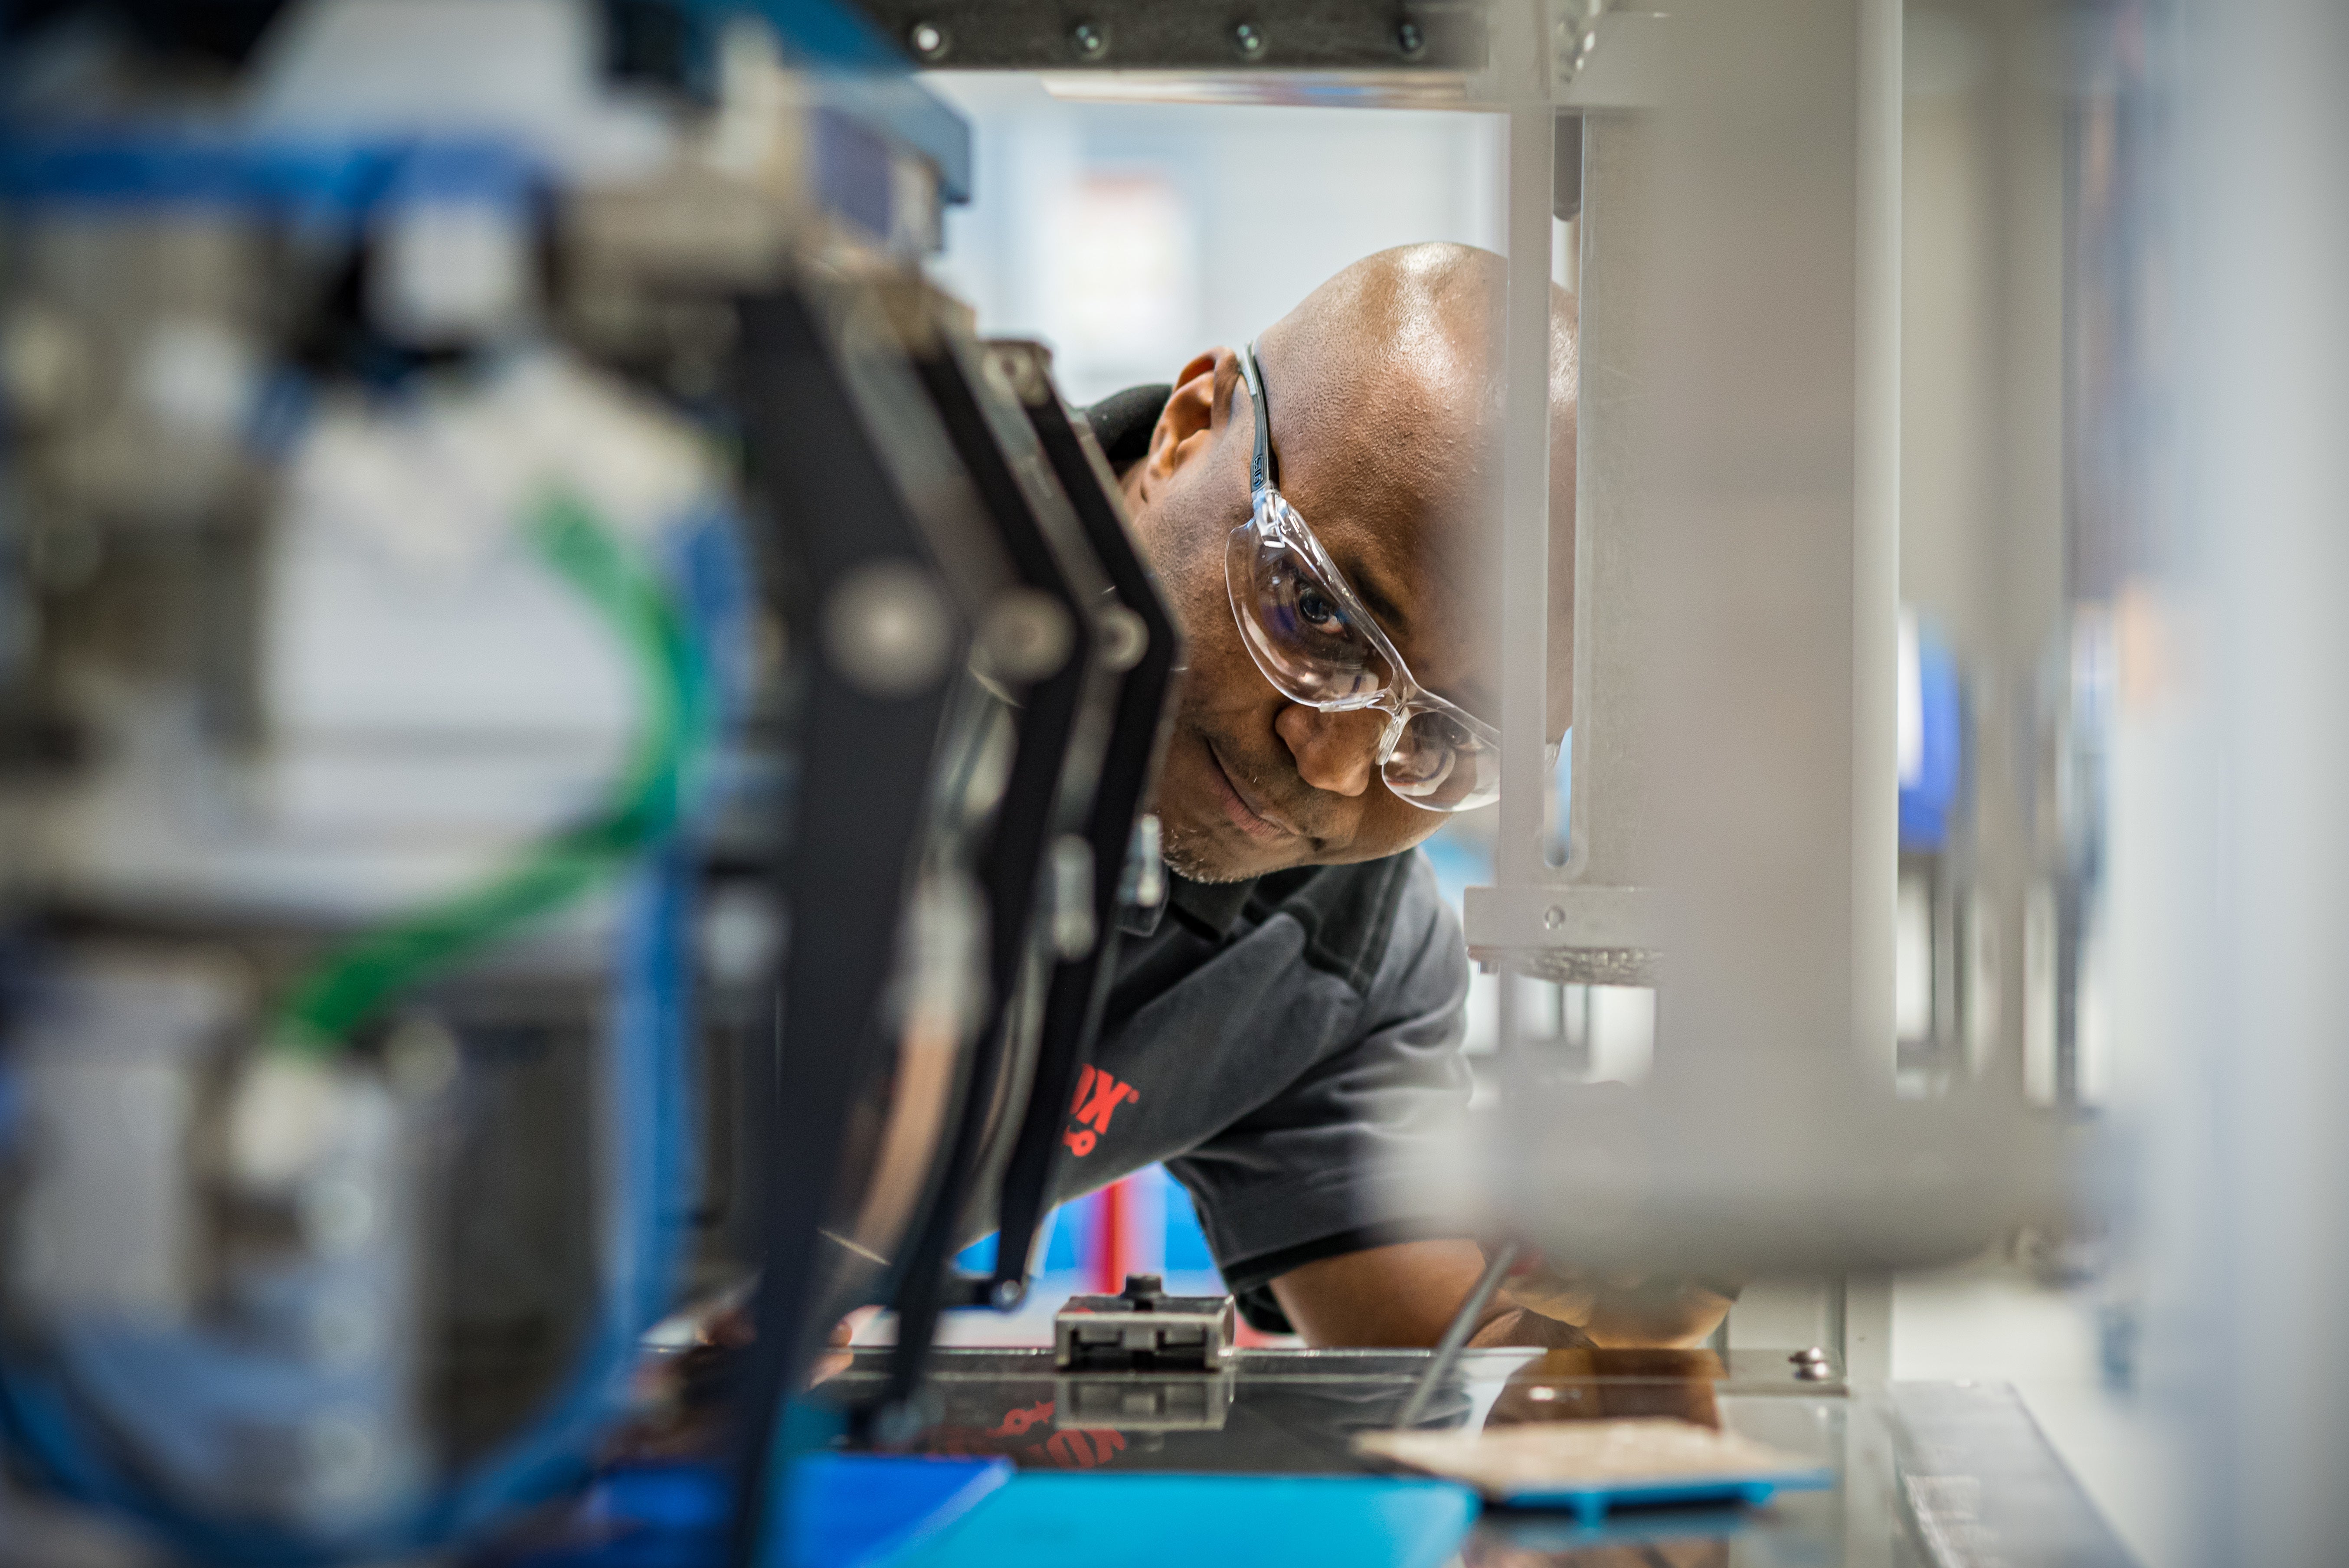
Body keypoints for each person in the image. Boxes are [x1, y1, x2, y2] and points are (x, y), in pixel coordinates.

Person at [1049, 242, 1732, 1350]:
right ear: (1186, 429)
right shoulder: (843, 582)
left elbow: (1439, 1357)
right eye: (1313, 615)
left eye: (1450, 734)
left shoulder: (1339, 955)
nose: (1327, 764)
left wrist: (1638, 1288)